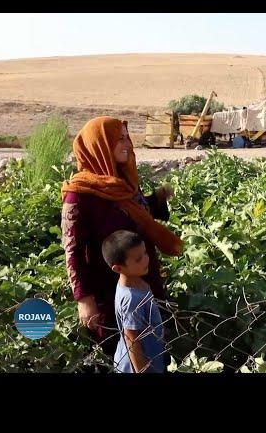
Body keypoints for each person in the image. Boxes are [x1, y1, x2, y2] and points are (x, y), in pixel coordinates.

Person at [61, 116, 182, 357]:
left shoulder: (122, 182)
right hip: (111, 291)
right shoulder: (79, 195)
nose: (128, 144)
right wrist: (84, 299)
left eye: (128, 138)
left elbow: (130, 212)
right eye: (119, 139)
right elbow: (72, 250)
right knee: (122, 354)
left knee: (153, 349)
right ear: (100, 145)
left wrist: (156, 200)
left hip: (145, 280)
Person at [102, 230, 166, 373]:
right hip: (135, 365)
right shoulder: (131, 298)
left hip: (151, 356)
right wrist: (141, 370)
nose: (146, 259)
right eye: (138, 259)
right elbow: (132, 339)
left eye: (145, 253)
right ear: (118, 268)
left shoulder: (136, 281)